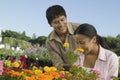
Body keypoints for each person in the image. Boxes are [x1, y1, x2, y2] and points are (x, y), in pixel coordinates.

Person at [45, 5, 80, 70]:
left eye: (62, 20)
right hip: (68, 72)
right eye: (56, 22)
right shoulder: (50, 42)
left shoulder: (79, 29)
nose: (61, 24)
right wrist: (59, 66)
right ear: (50, 24)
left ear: (66, 18)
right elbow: (57, 62)